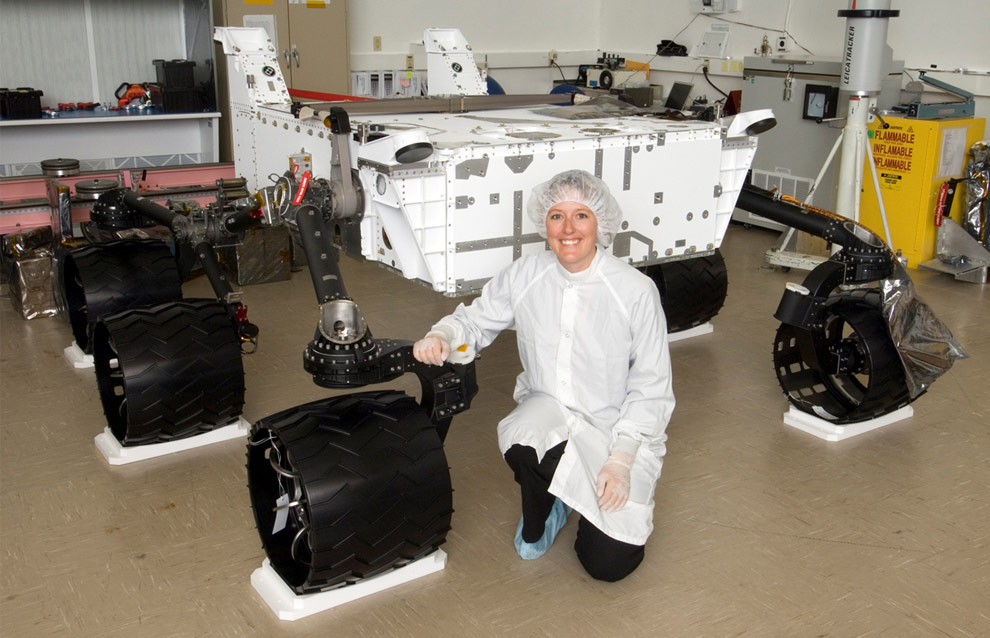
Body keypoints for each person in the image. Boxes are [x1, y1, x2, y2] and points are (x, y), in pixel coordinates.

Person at [412, 169, 674, 582]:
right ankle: (547, 507)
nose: (568, 229)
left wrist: (622, 459)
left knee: (607, 565)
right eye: (557, 216)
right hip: (549, 412)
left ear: (600, 223)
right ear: (544, 223)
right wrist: (444, 335)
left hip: (613, 432)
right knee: (523, 442)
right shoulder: (526, 274)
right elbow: (476, 321)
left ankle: (585, 494)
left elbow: (652, 385)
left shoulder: (634, 291)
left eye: (581, 215)